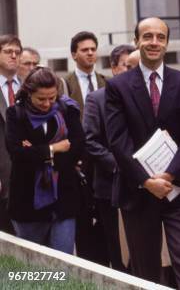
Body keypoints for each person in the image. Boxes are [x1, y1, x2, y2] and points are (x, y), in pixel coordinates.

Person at [105, 17, 180, 289]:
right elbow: (117, 140)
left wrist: (169, 176)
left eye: (160, 37)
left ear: (167, 43)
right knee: (144, 268)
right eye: (147, 36)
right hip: (137, 190)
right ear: (136, 41)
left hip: (178, 188)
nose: (154, 42)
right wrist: (147, 181)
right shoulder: (117, 87)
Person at [5, 67, 85, 254]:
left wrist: (35, 152)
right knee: (32, 265)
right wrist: (53, 149)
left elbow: (78, 147)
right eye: (41, 99)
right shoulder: (15, 114)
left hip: (64, 199)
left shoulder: (67, 109)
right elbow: (16, 153)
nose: (48, 104)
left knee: (62, 265)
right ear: (28, 93)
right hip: (27, 201)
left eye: (52, 97)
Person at [83, 44, 135, 272]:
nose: (132, 71)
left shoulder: (143, 98)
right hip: (110, 186)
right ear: (114, 69)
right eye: (127, 66)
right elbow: (89, 141)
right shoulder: (97, 99)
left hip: (144, 188)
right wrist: (122, 166)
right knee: (117, 251)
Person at [64, 31, 108, 264]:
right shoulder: (65, 85)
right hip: (78, 163)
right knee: (82, 220)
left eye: (93, 49)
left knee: (103, 219)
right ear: (74, 54)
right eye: (84, 50)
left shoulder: (106, 82)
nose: (90, 53)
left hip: (101, 161)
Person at [0, 34, 22, 234]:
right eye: (8, 52)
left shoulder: (29, 88)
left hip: (31, 174)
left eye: (17, 52)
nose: (14, 56)